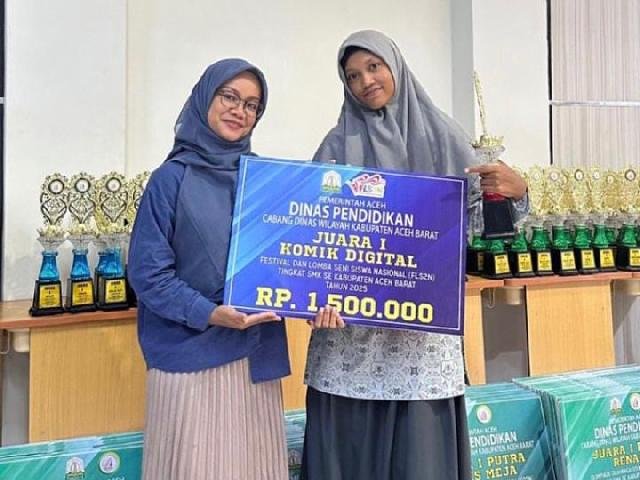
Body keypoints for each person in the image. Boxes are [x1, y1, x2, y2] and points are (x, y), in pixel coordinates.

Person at [302, 31, 528, 480]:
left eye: (373, 67)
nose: (365, 81)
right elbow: (314, 236)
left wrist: (515, 193)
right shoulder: (335, 147)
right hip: (351, 344)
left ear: (396, 66)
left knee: (421, 462)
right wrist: (311, 296)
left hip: (421, 343)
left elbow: (478, 227)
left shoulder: (445, 137)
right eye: (352, 76)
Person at [128, 58, 305, 480]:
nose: (239, 110)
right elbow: (148, 274)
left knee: (253, 468)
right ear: (205, 98)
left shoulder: (266, 181)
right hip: (189, 356)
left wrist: (318, 293)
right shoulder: (170, 180)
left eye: (251, 105)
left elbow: (292, 259)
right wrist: (209, 312)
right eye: (229, 96)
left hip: (253, 358)